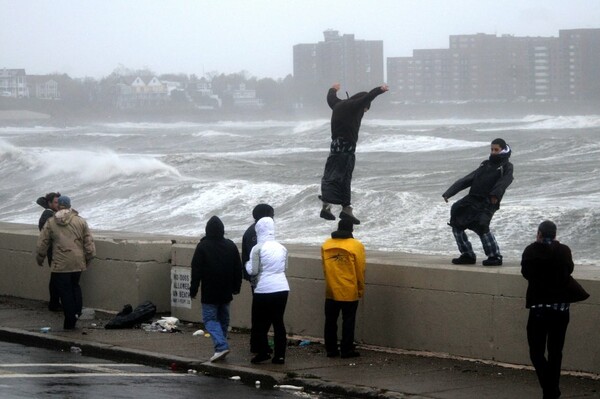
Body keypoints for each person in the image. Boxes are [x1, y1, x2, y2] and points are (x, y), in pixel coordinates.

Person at [319, 82, 389, 225]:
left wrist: (333, 89)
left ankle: (326, 207)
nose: (363, 113)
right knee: (345, 178)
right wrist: (379, 90)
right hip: (347, 148)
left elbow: (330, 98)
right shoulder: (354, 106)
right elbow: (368, 97)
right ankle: (346, 209)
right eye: (364, 110)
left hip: (335, 147)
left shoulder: (337, 105)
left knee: (330, 175)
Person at [521, 221, 574, 399]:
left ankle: (550, 390)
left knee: (536, 352)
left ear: (539, 234)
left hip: (539, 309)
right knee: (555, 352)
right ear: (555, 234)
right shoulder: (564, 251)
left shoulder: (530, 251)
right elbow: (569, 270)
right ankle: (552, 390)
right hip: (561, 309)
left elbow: (526, 273)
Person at [442, 138, 514, 266]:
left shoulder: (507, 167)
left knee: (481, 225)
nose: (493, 152)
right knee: (456, 219)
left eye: (496, 150)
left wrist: (495, 195)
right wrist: (450, 192)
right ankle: (467, 255)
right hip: (473, 198)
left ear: (503, 150)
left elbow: (505, 182)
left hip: (489, 201)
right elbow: (469, 178)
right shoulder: (485, 164)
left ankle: (495, 256)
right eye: (492, 149)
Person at [36, 196, 95, 330]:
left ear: (59, 206)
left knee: (65, 291)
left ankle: (69, 321)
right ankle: (76, 313)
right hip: (77, 261)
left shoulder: (51, 222)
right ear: (69, 205)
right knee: (75, 286)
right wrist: (89, 257)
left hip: (60, 263)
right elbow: (89, 243)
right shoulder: (80, 221)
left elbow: (42, 243)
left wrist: (40, 258)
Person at [189, 216, 242, 362]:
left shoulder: (203, 246)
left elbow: (196, 271)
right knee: (223, 320)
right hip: (226, 291)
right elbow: (238, 269)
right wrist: (236, 287)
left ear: (207, 230)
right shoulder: (231, 246)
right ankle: (221, 348)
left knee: (210, 320)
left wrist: (193, 290)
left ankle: (220, 346)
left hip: (210, 291)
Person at [245, 217, 289, 364]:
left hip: (264, 289)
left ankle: (263, 352)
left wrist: (246, 264)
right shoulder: (282, 248)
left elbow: (253, 270)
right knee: (278, 322)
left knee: (260, 323)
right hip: (282, 288)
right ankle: (280, 355)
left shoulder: (257, 248)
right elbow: (284, 268)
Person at [321, 219, 366, 358]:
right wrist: (360, 289)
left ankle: (331, 350)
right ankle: (346, 350)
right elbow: (360, 269)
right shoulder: (356, 245)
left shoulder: (326, 245)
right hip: (348, 289)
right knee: (348, 321)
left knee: (330, 321)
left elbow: (324, 268)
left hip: (331, 290)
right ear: (351, 230)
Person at [241, 203, 275, 354]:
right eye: (271, 215)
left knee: (260, 313)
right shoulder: (255, 234)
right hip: (260, 280)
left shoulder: (252, 231)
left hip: (257, 279)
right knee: (263, 314)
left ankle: (257, 343)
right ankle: (258, 344)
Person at [36, 192, 62, 311]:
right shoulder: (47, 214)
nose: (58, 204)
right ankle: (54, 304)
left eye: (59, 202)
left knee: (56, 277)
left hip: (55, 249)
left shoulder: (51, 213)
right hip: (53, 250)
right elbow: (45, 232)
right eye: (56, 202)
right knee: (56, 278)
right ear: (49, 203)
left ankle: (54, 303)